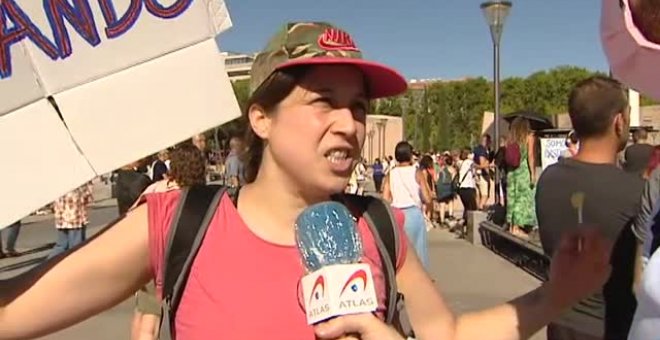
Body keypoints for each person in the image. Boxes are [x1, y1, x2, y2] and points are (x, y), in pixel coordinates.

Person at [0, 21, 611, 340]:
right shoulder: (177, 223)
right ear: (260, 118)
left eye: (359, 107)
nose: (349, 123)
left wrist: (556, 296)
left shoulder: (377, 226)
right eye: (324, 101)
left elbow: (447, 331)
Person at [536, 76, 644, 340]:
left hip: (560, 323)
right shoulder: (636, 192)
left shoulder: (548, 179)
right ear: (618, 122)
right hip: (613, 327)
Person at [130, 143, 208, 340]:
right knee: (154, 323)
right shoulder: (198, 197)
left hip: (144, 255)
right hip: (175, 260)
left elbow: (131, 216)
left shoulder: (154, 189)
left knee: (144, 312)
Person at [382, 142, 433, 269]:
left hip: (396, 215)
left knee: (399, 251)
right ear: (410, 155)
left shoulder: (391, 174)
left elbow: (385, 198)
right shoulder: (417, 172)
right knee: (418, 251)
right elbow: (427, 197)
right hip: (414, 214)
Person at [506, 117, 537, 238]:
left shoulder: (511, 138)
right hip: (523, 171)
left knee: (512, 197)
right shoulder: (529, 137)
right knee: (522, 199)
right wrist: (533, 174)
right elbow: (530, 156)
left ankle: (511, 225)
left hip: (511, 172)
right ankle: (516, 227)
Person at [473, 134, 493, 210]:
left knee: (478, 194)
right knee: (485, 194)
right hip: (482, 175)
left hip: (476, 175)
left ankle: (477, 210)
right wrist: (490, 167)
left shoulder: (477, 149)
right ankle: (480, 209)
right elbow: (482, 163)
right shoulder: (482, 150)